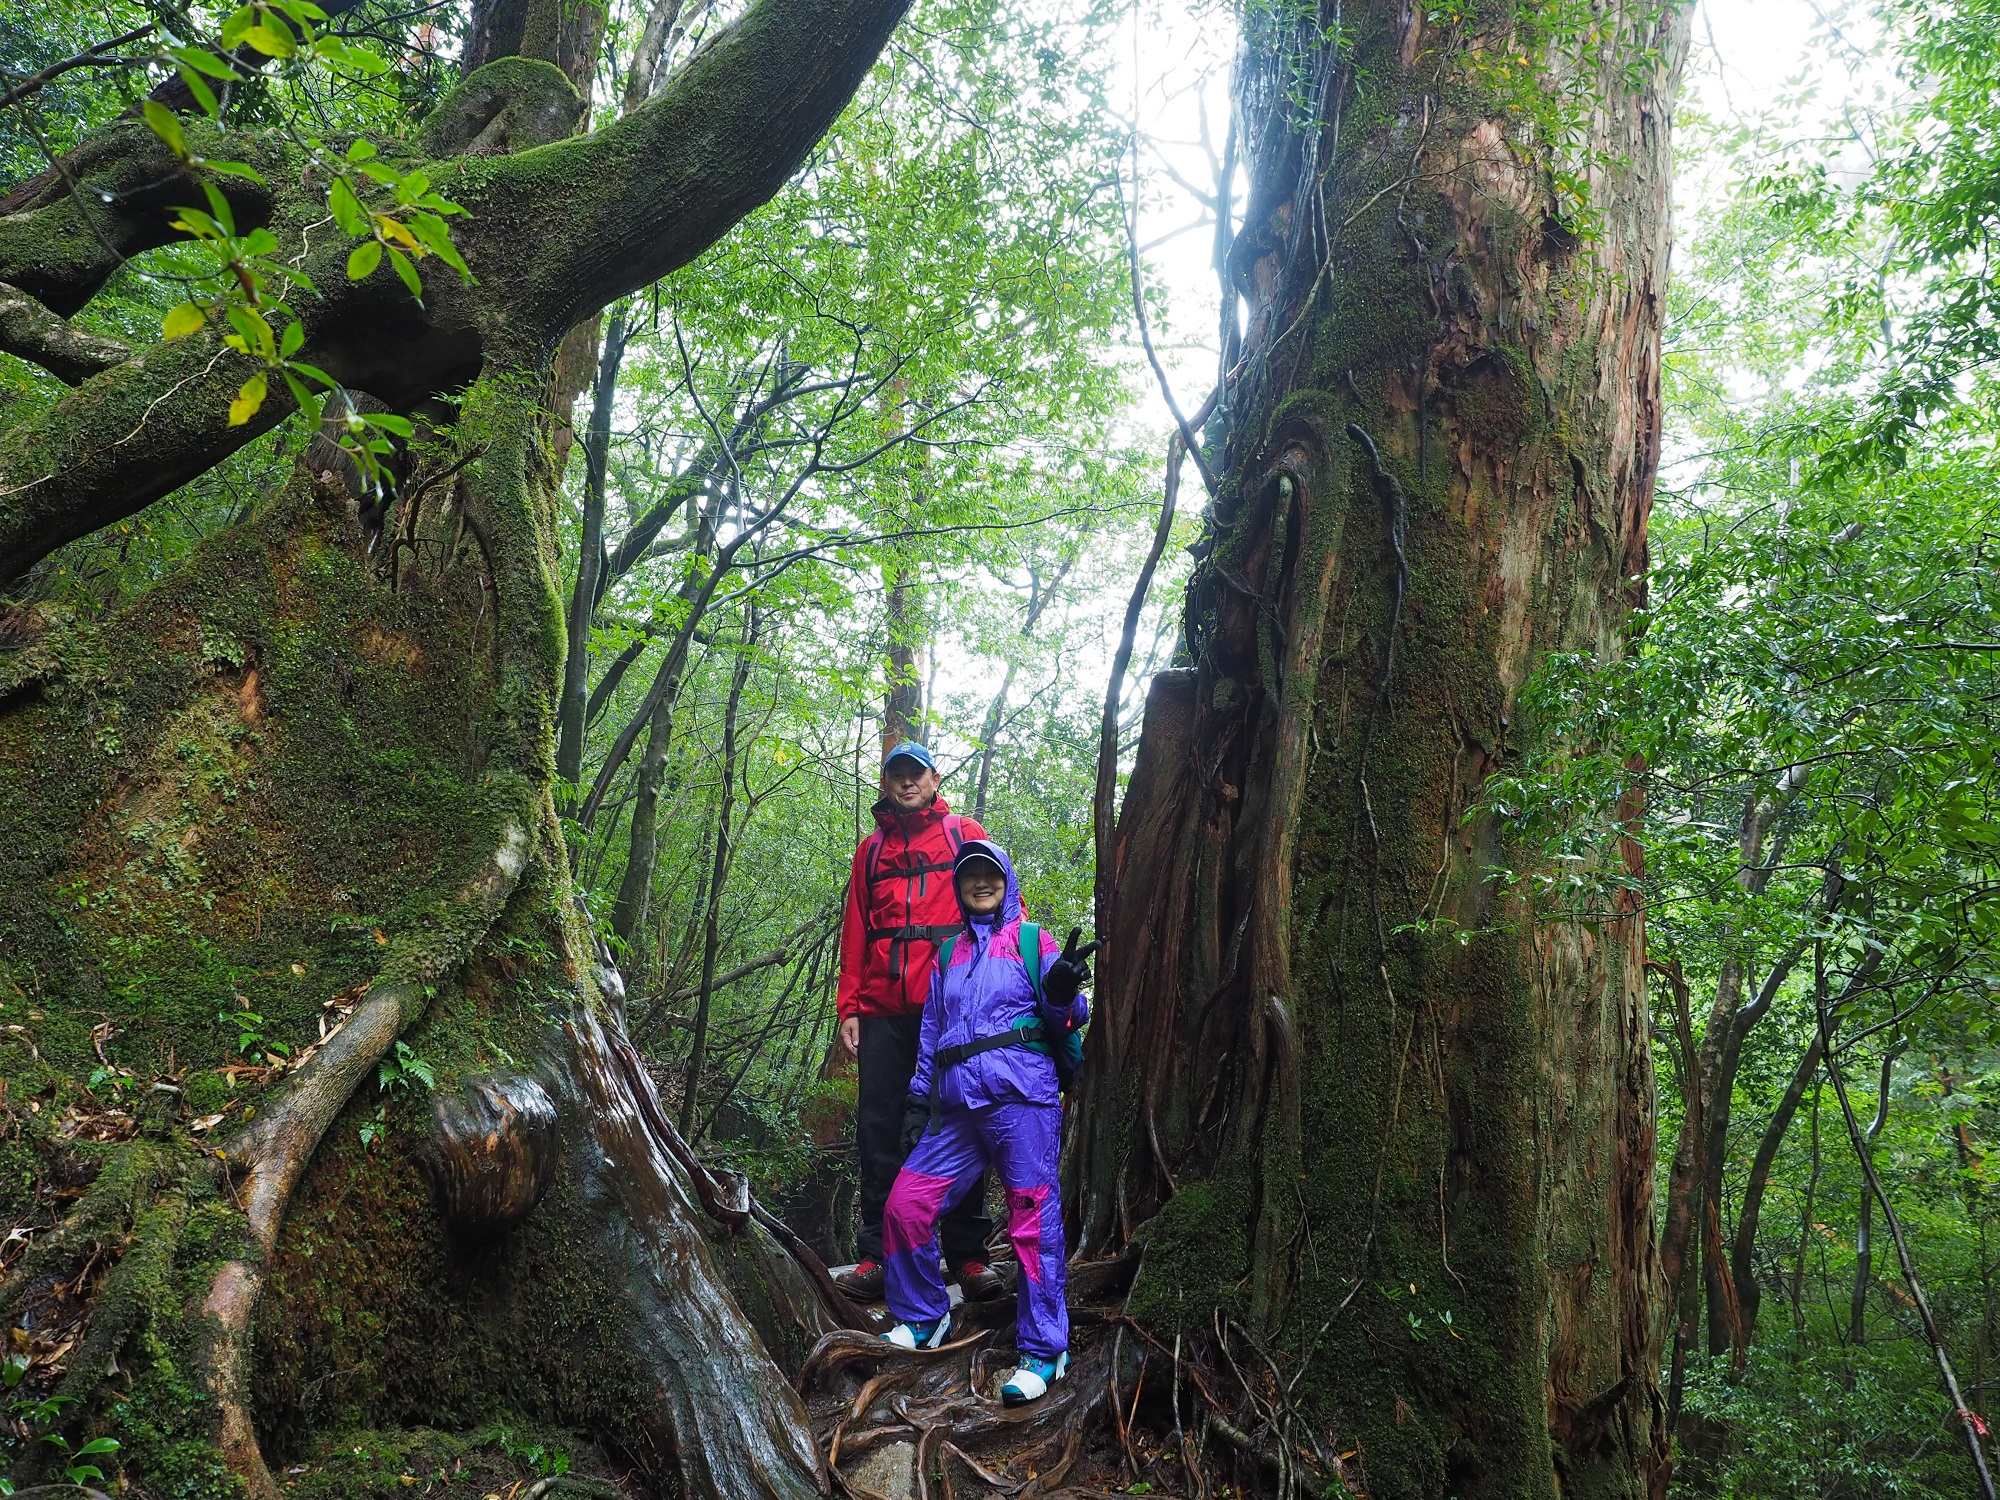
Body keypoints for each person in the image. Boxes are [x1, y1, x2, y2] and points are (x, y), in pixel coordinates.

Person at [879, 838, 1093, 1406]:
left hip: (1021, 1098)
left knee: (1031, 1218)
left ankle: (1044, 1350)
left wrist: (1062, 989)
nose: (980, 883)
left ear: (1006, 880)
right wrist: (918, 1101)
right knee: (906, 1206)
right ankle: (925, 1316)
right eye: (970, 875)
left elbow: (1070, 1014)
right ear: (960, 886)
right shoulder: (947, 955)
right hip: (954, 1111)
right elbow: (931, 1032)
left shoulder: (1032, 940)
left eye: (989, 875)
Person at [832, 741, 1003, 1303]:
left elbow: (996, 907)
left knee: (958, 1120)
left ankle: (969, 1258)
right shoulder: (870, 852)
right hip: (883, 1011)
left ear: (934, 779)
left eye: (916, 775)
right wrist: (849, 1007)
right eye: (897, 776)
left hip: (951, 1011)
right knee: (879, 1130)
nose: (907, 784)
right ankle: (876, 1255)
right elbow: (856, 930)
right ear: (886, 783)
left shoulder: (961, 834)